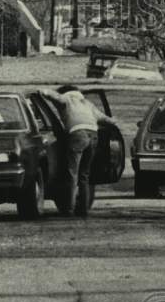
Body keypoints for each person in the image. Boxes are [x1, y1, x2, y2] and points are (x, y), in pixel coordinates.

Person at [40, 85, 121, 217]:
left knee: (72, 173)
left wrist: (43, 91)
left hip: (78, 134)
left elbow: (56, 97)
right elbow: (105, 119)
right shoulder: (88, 104)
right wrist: (115, 122)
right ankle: (83, 209)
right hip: (94, 136)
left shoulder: (67, 100)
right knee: (85, 175)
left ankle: (69, 209)